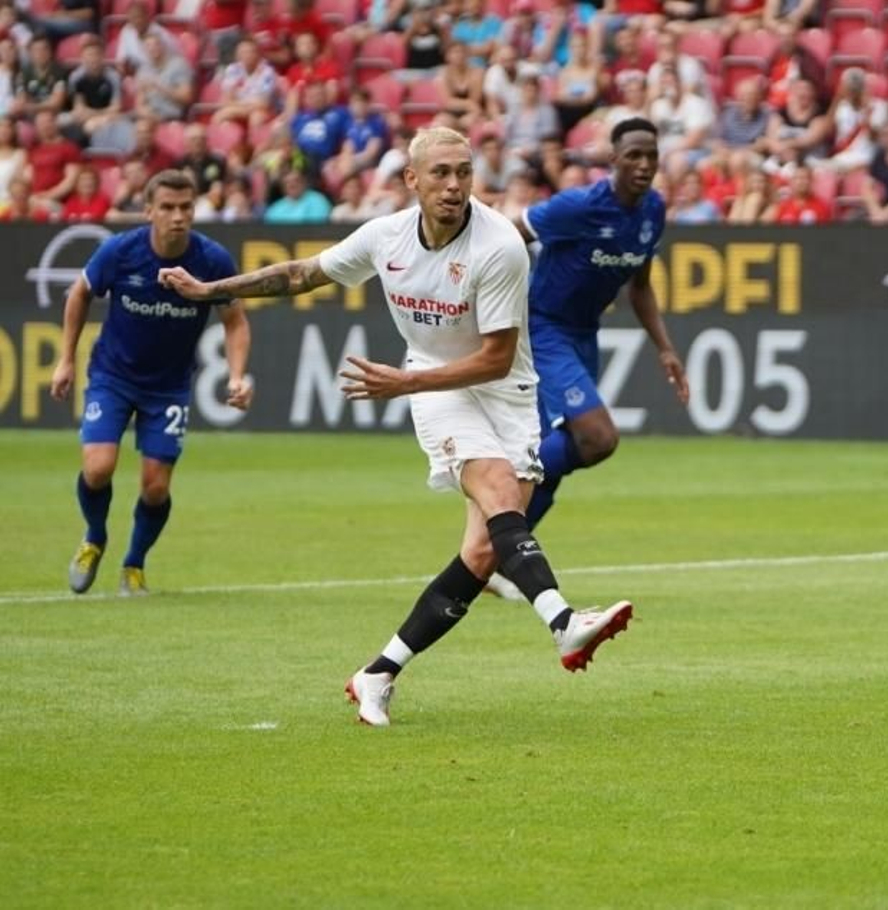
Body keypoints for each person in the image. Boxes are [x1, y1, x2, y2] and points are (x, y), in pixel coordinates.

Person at [159, 126, 635, 727]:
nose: (454, 185)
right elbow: (303, 274)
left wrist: (399, 384)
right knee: (495, 495)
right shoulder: (385, 236)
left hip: (505, 390)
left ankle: (378, 673)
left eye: (463, 172)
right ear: (412, 180)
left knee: (485, 550)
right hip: (436, 384)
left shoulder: (499, 247)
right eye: (440, 173)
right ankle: (566, 623)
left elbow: (493, 357)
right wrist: (210, 290)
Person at [482, 118, 690, 598]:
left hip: (583, 335)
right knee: (597, 437)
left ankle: (497, 554)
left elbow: (639, 285)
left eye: (651, 157)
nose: (643, 165)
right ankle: (506, 479)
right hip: (542, 328)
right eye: (633, 155)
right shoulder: (577, 206)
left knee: (563, 456)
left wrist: (665, 348)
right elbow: (507, 239)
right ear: (613, 160)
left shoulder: (653, 210)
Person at [49, 170, 253, 597]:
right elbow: (79, 293)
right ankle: (94, 536)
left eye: (185, 208)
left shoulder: (212, 260)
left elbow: (235, 320)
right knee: (98, 467)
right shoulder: (121, 252)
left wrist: (236, 376)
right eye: (167, 208)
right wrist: (66, 360)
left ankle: (134, 565)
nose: (177, 217)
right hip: (113, 376)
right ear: (148, 211)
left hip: (169, 387)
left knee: (156, 487)